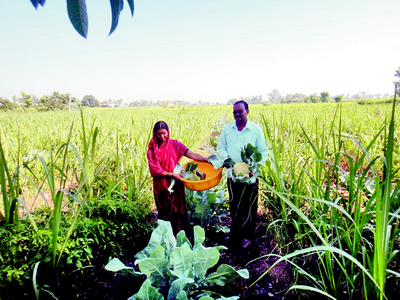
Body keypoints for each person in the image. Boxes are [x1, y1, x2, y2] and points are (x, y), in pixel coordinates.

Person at [217, 100, 269, 249]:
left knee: (250, 205)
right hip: (233, 175)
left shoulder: (255, 130)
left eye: (240, 111)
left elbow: (263, 152)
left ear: (247, 111)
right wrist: (227, 159)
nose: (237, 114)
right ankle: (236, 233)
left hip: (250, 177)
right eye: (235, 112)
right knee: (234, 204)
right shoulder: (228, 129)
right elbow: (221, 146)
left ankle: (248, 236)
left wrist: (255, 166)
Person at [147, 120, 208, 236]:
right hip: (161, 185)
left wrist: (208, 160)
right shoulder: (152, 149)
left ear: (168, 132)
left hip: (176, 184)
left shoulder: (175, 145)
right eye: (159, 134)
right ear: (155, 134)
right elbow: (155, 170)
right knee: (164, 212)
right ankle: (165, 237)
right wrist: (171, 174)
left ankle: (179, 237)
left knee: (178, 211)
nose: (162, 136)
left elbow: (192, 154)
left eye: (164, 133)